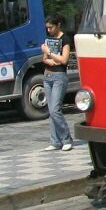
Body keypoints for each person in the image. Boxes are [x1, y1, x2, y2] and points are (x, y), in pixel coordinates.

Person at [41, 14, 74, 151]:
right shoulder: (49, 40)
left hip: (59, 76)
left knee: (55, 109)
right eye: (47, 28)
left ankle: (66, 139)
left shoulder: (64, 39)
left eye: (51, 27)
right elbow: (44, 59)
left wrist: (49, 53)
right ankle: (55, 141)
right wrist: (51, 59)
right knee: (51, 110)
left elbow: (64, 60)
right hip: (47, 75)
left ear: (58, 25)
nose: (49, 30)